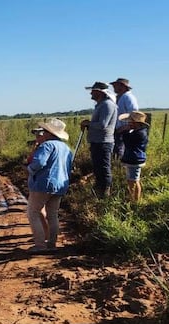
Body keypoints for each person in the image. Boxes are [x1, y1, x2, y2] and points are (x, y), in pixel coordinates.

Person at [26, 118, 74, 253]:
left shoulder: (46, 146)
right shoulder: (66, 148)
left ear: (49, 132)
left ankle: (40, 245)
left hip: (43, 183)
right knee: (52, 214)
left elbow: (39, 163)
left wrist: (29, 169)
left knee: (33, 213)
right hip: (60, 185)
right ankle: (52, 243)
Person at [80, 82, 117, 198]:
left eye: (93, 91)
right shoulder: (101, 105)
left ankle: (105, 193)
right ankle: (98, 191)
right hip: (97, 141)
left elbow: (102, 125)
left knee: (104, 168)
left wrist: (88, 123)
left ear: (99, 92)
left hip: (103, 142)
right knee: (98, 168)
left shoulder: (107, 105)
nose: (91, 93)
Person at [118, 111, 149, 203]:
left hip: (135, 160)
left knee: (134, 181)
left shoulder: (139, 133)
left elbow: (127, 140)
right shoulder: (138, 131)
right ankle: (133, 198)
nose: (128, 123)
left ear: (136, 123)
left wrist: (124, 131)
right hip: (133, 159)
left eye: (130, 121)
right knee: (131, 180)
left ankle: (135, 201)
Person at [110, 78, 139, 159]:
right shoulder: (120, 97)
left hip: (125, 130)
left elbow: (135, 114)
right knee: (117, 151)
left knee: (120, 152)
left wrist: (127, 127)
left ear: (122, 86)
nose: (114, 87)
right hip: (119, 129)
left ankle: (119, 168)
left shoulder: (128, 97)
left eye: (115, 85)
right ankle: (117, 168)